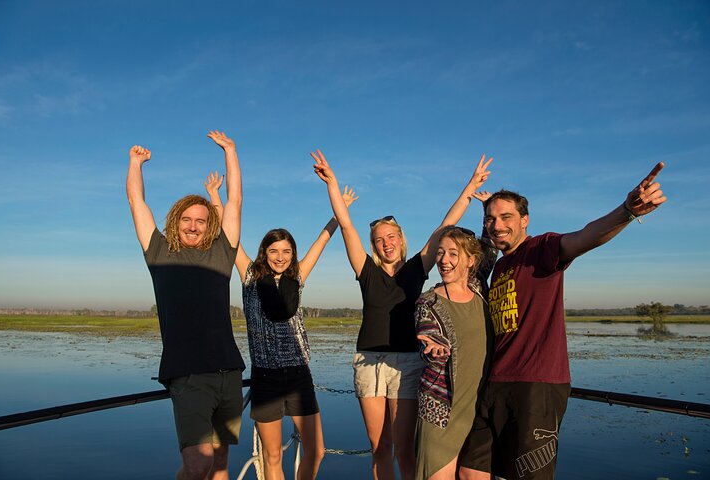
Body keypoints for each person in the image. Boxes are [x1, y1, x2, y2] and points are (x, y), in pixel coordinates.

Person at [462, 163, 668, 480]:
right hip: (494, 382)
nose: (496, 224)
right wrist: (487, 203)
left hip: (536, 385)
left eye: (506, 217)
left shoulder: (540, 249)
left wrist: (627, 210)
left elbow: (586, 237)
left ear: (525, 221)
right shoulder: (501, 266)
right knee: (469, 471)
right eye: (490, 219)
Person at [313, 149, 492, 480]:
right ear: (374, 245)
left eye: (391, 237)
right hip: (368, 362)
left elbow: (445, 227)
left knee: (404, 447)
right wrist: (332, 183)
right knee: (378, 446)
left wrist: (470, 187)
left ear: (401, 239)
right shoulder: (366, 270)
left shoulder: (416, 269)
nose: (386, 243)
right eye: (379, 240)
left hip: (408, 364)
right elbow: (346, 224)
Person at [205, 175, 358, 480]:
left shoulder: (297, 276)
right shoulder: (250, 275)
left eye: (286, 251)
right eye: (274, 251)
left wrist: (340, 208)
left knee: (316, 450)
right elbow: (226, 234)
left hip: (299, 374)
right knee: (272, 455)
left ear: (292, 254)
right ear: (265, 252)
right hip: (266, 377)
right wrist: (214, 196)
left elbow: (323, 240)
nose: (280, 257)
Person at [126, 131, 245, 480]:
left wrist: (231, 151)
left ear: (210, 225)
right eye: (186, 219)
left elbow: (234, 201)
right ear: (175, 221)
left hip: (229, 371)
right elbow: (137, 202)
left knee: (220, 467)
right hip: (189, 374)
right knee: (198, 465)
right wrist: (136, 164)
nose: (193, 226)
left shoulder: (222, 253)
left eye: (201, 220)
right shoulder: (160, 253)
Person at [414, 225, 497, 480]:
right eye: (440, 253)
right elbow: (427, 333)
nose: (444, 260)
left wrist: (487, 215)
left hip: (481, 411)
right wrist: (433, 349)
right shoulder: (428, 302)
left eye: (453, 253)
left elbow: (490, 249)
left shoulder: (479, 289)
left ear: (471, 261)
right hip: (442, 413)